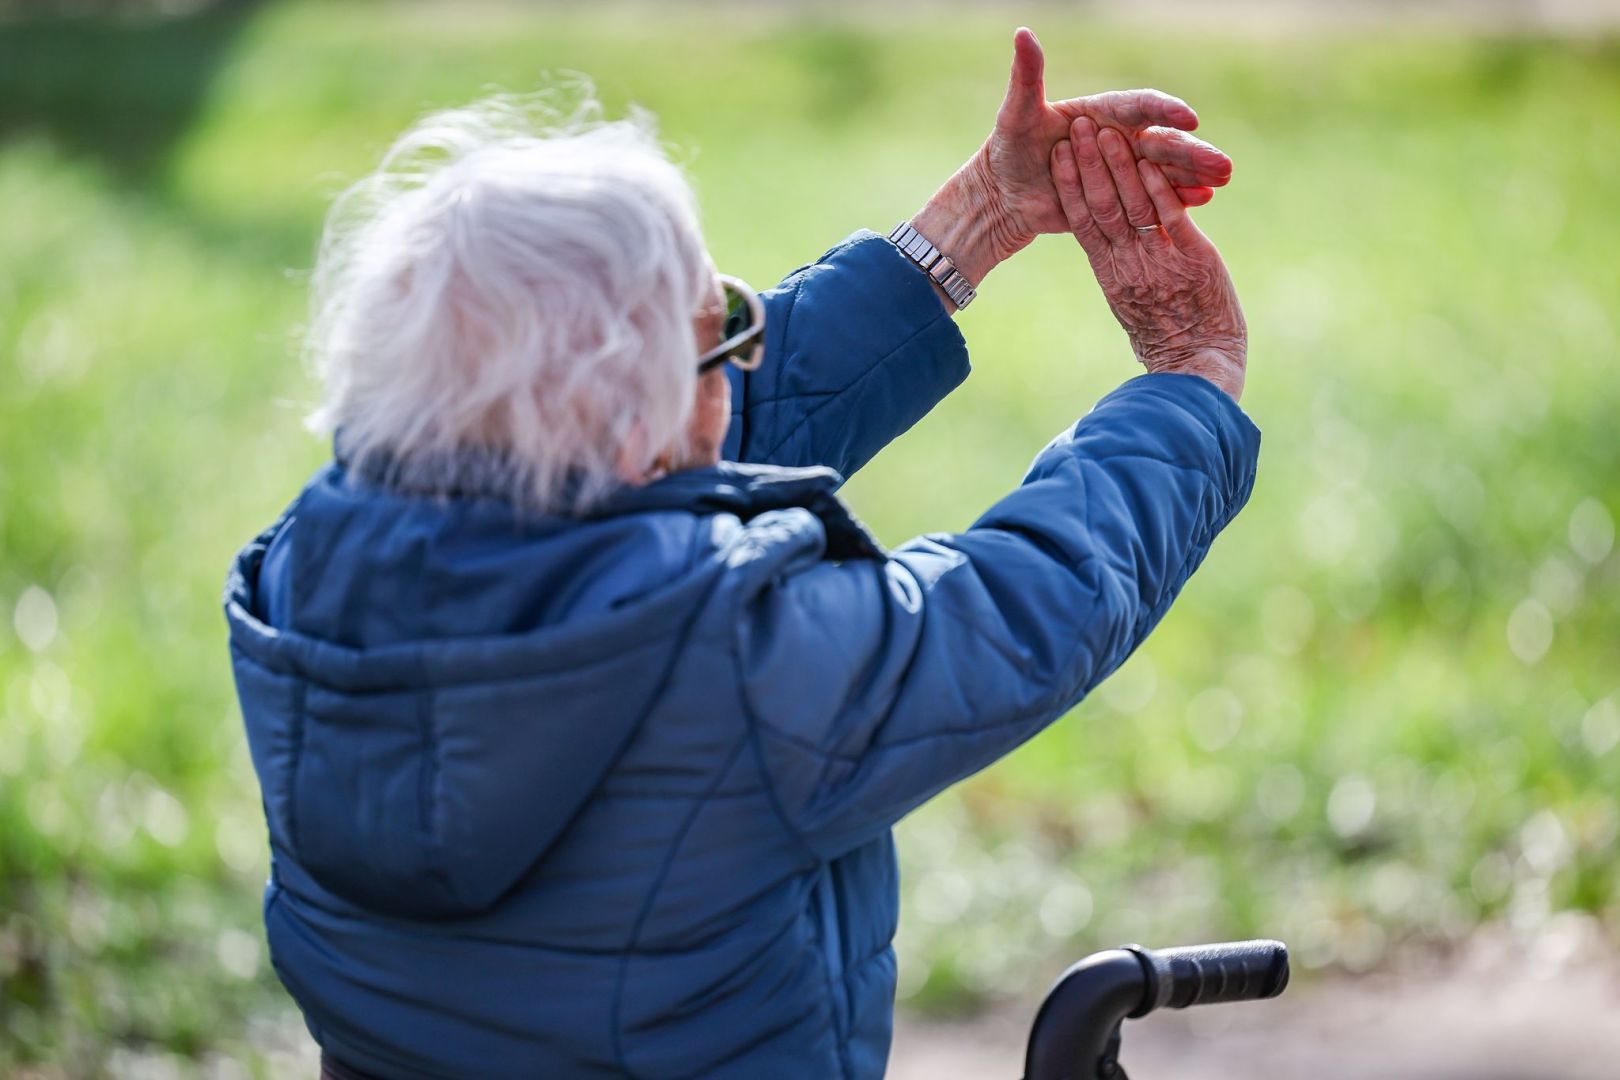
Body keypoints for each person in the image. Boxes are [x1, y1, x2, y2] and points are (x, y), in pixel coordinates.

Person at [224, 27, 1256, 1080]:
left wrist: (984, 214)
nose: (740, 355)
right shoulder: (739, 662)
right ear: (633, 410)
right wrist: (1191, 377)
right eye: (721, 328)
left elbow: (654, 447)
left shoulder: (305, 574)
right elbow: (1027, 605)